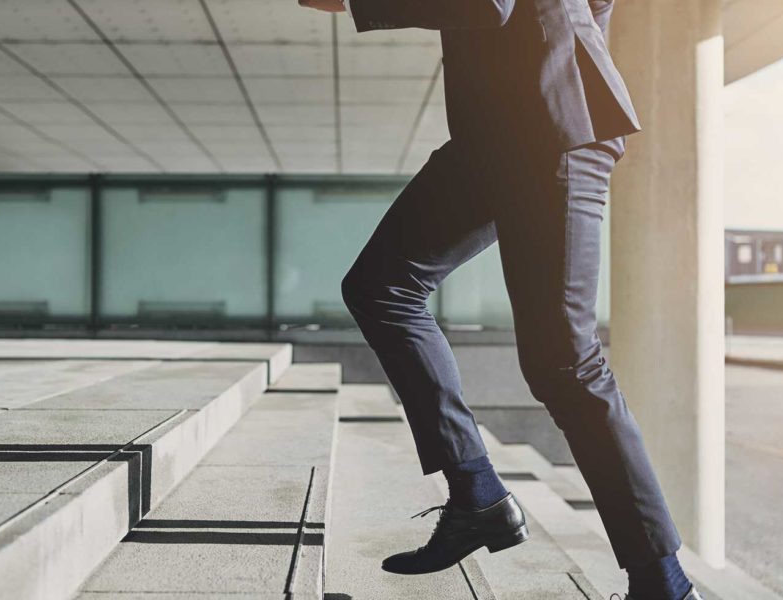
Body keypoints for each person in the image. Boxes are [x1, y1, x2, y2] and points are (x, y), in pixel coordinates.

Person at [298, 0, 700, 598]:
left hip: (550, 122)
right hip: (505, 130)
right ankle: (476, 492)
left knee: (566, 363)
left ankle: (663, 584)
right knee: (381, 284)